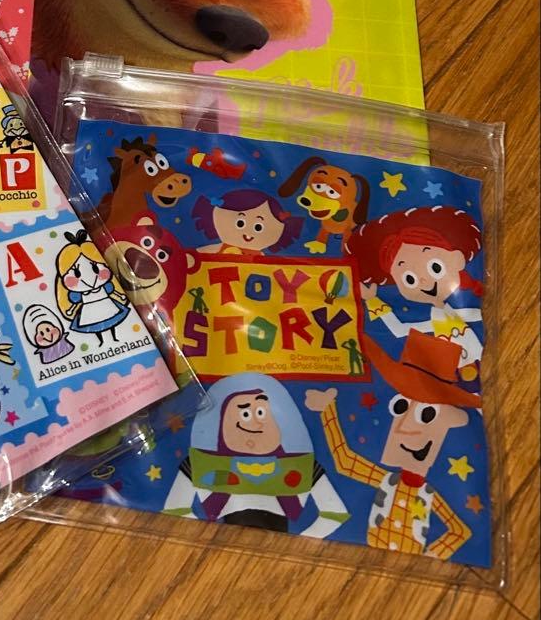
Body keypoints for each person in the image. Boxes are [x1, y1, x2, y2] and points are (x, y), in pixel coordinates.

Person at [305, 330, 477, 560]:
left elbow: (460, 531)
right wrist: (328, 411)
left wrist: (431, 556)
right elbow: (344, 462)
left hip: (407, 564)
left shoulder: (427, 494)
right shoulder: (389, 481)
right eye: (400, 408)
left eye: (426, 415)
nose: (404, 427)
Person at [163, 372, 348, 538]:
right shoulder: (201, 464)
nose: (257, 423)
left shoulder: (303, 466)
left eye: (261, 412)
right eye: (244, 414)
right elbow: (175, 509)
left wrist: (300, 543)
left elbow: (335, 514)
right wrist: (205, 539)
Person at [346, 206, 483, 382]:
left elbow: (476, 314)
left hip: (475, 367)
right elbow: (399, 330)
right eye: (409, 279)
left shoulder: (460, 311)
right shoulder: (442, 318)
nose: (424, 282)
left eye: (435, 267)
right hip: (453, 375)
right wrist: (373, 300)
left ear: (457, 259)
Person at [55, 229, 130, 346]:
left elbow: (113, 292)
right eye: (76, 274)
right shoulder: (78, 294)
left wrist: (120, 295)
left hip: (106, 304)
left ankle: (115, 338)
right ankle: (101, 341)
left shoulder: (105, 286)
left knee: (112, 322)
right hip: (89, 310)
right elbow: (75, 303)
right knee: (95, 326)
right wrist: (71, 309)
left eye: (96, 268)